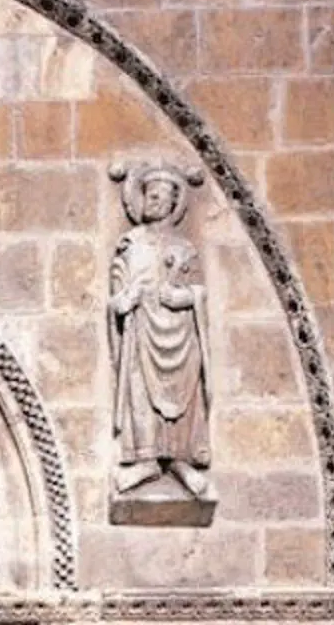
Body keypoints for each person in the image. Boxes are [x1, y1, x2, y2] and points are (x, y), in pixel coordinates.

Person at [107, 162, 212, 498]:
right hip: (141, 335)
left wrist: (178, 298)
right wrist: (126, 300)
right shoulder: (130, 244)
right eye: (149, 195)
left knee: (181, 397)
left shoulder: (185, 249)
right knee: (140, 391)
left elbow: (198, 292)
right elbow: (117, 295)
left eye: (160, 197)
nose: (153, 202)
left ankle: (181, 461)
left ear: (172, 204)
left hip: (180, 338)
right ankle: (146, 459)